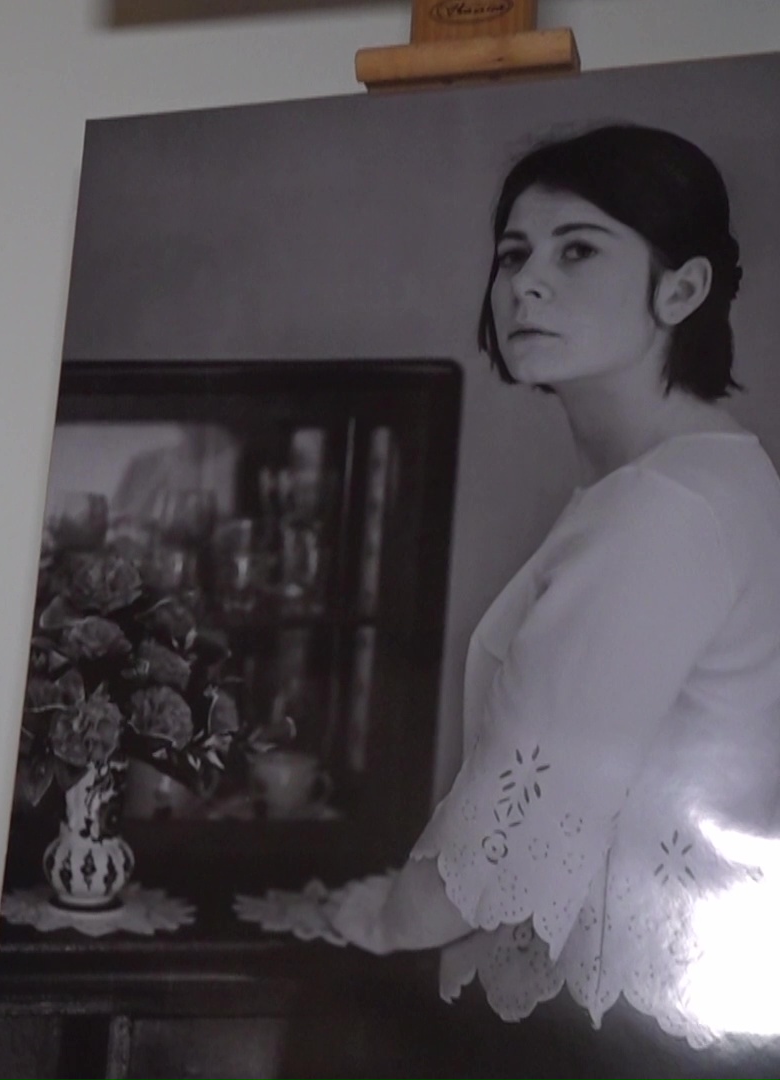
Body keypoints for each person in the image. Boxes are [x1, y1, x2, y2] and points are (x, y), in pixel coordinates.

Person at [314, 124, 780, 1074]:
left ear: (681, 289)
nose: (526, 283)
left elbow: (527, 801)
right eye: (513, 255)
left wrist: (382, 919)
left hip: (635, 1034)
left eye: (577, 251)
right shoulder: (694, 477)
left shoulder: (665, 507)